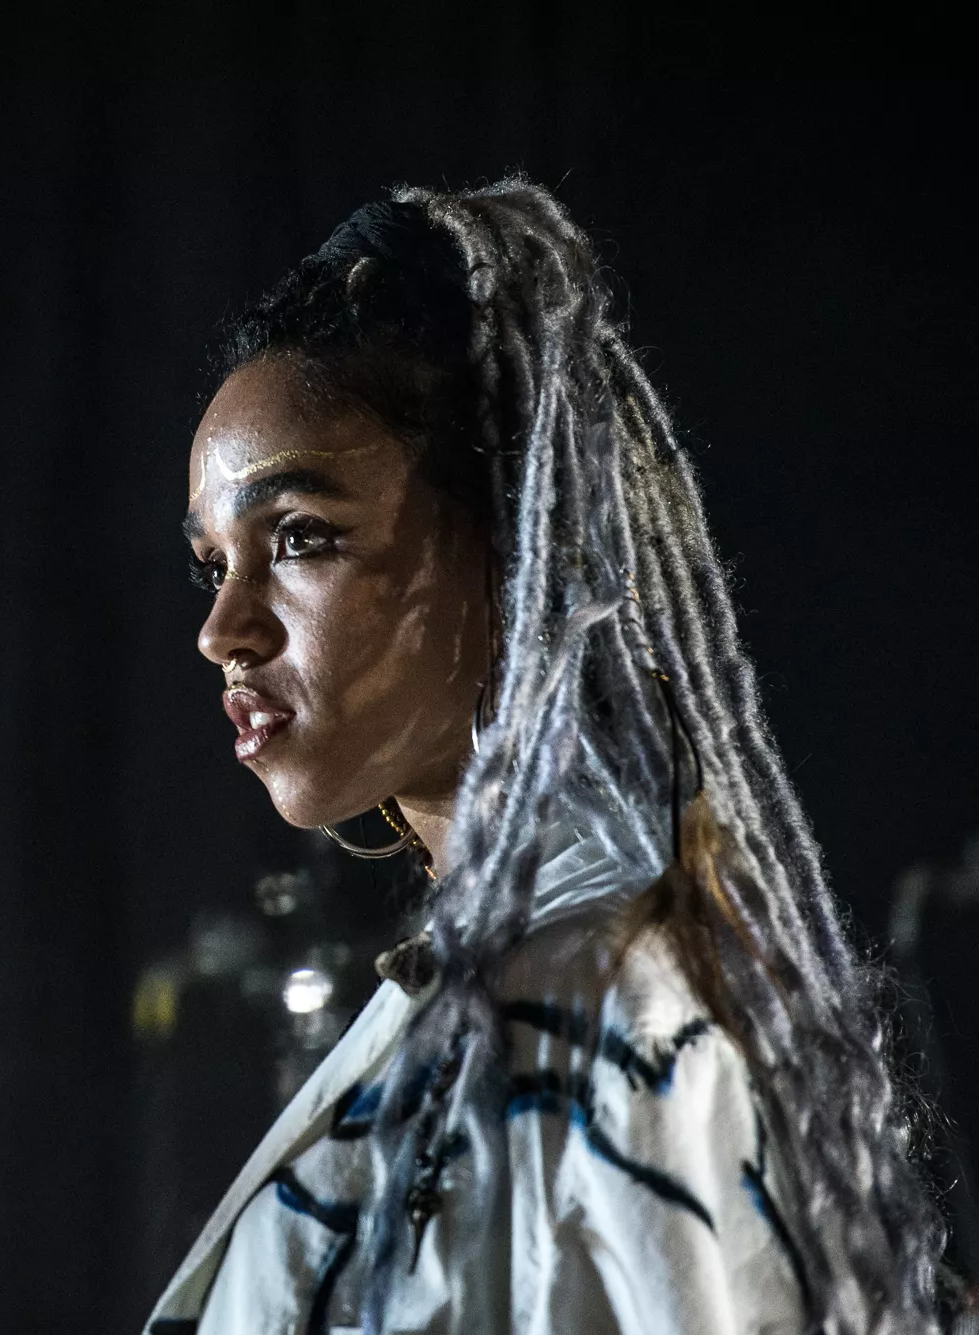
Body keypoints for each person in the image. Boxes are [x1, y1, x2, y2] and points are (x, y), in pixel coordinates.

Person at [148, 180, 944, 1335]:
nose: (222, 630)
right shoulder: (500, 983)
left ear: (522, 554)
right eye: (211, 565)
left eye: (301, 539)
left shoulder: (606, 1009)